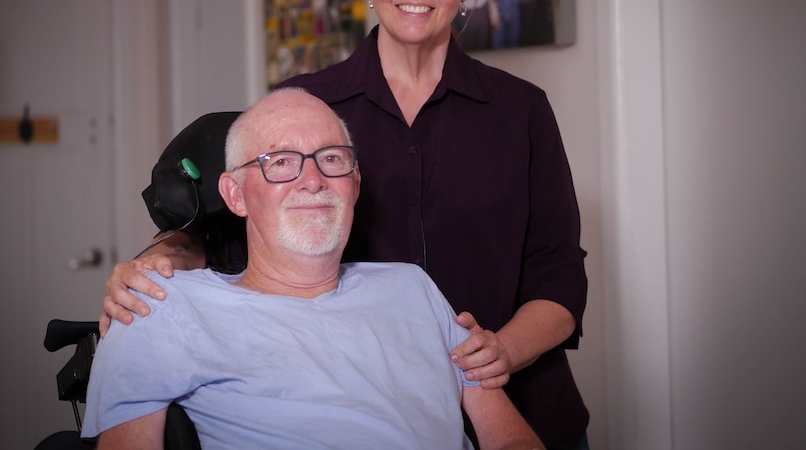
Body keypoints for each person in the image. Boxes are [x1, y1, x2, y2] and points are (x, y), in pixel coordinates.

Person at [104, 0, 589, 450]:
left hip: (518, 407)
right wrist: (156, 260)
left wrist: (502, 351)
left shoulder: (520, 109)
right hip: (352, 405)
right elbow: (239, 227)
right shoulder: (308, 109)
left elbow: (559, 271)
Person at [83, 88, 543, 450]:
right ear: (235, 194)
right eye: (280, 162)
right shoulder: (158, 307)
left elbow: (509, 439)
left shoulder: (413, 289)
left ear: (355, 183)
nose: (313, 179)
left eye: (332, 158)